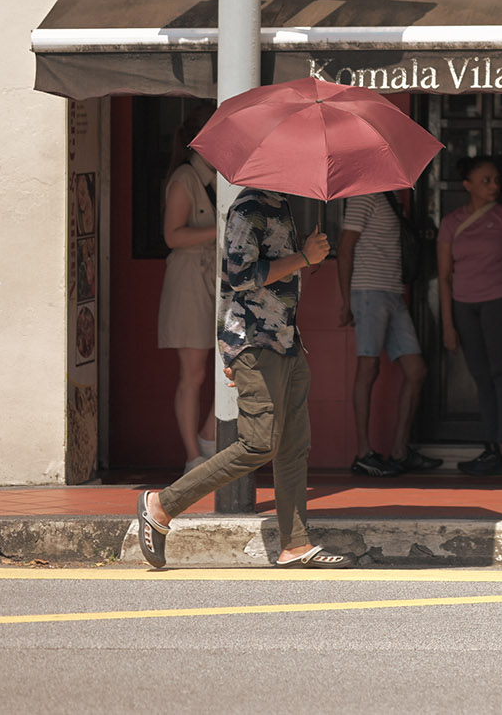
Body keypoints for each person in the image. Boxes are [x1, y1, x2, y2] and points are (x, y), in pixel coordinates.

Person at [135, 187, 352, 569]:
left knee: (293, 446)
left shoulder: (280, 204)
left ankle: (295, 544)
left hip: (286, 342)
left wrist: (305, 255)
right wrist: (303, 257)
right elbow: (241, 276)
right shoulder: (249, 207)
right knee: (258, 444)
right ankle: (162, 504)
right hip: (255, 342)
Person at [438, 156, 502, 476]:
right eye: (486, 181)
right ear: (468, 186)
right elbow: (444, 276)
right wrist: (448, 325)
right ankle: (489, 446)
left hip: (501, 302)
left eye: (496, 180)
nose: (494, 186)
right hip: (464, 306)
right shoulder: (451, 222)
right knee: (481, 376)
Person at [336, 188, 437, 477]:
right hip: (369, 291)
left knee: (416, 371)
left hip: (393, 292)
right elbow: (345, 248)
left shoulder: (388, 197)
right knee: (368, 367)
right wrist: (346, 301)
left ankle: (400, 451)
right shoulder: (363, 195)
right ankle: (363, 453)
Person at [156, 103, 218, 472]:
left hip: (217, 278)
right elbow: (172, 236)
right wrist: (219, 229)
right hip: (189, 279)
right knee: (194, 374)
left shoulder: (223, 177)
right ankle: (193, 457)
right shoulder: (185, 178)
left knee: (233, 365)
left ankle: (209, 436)